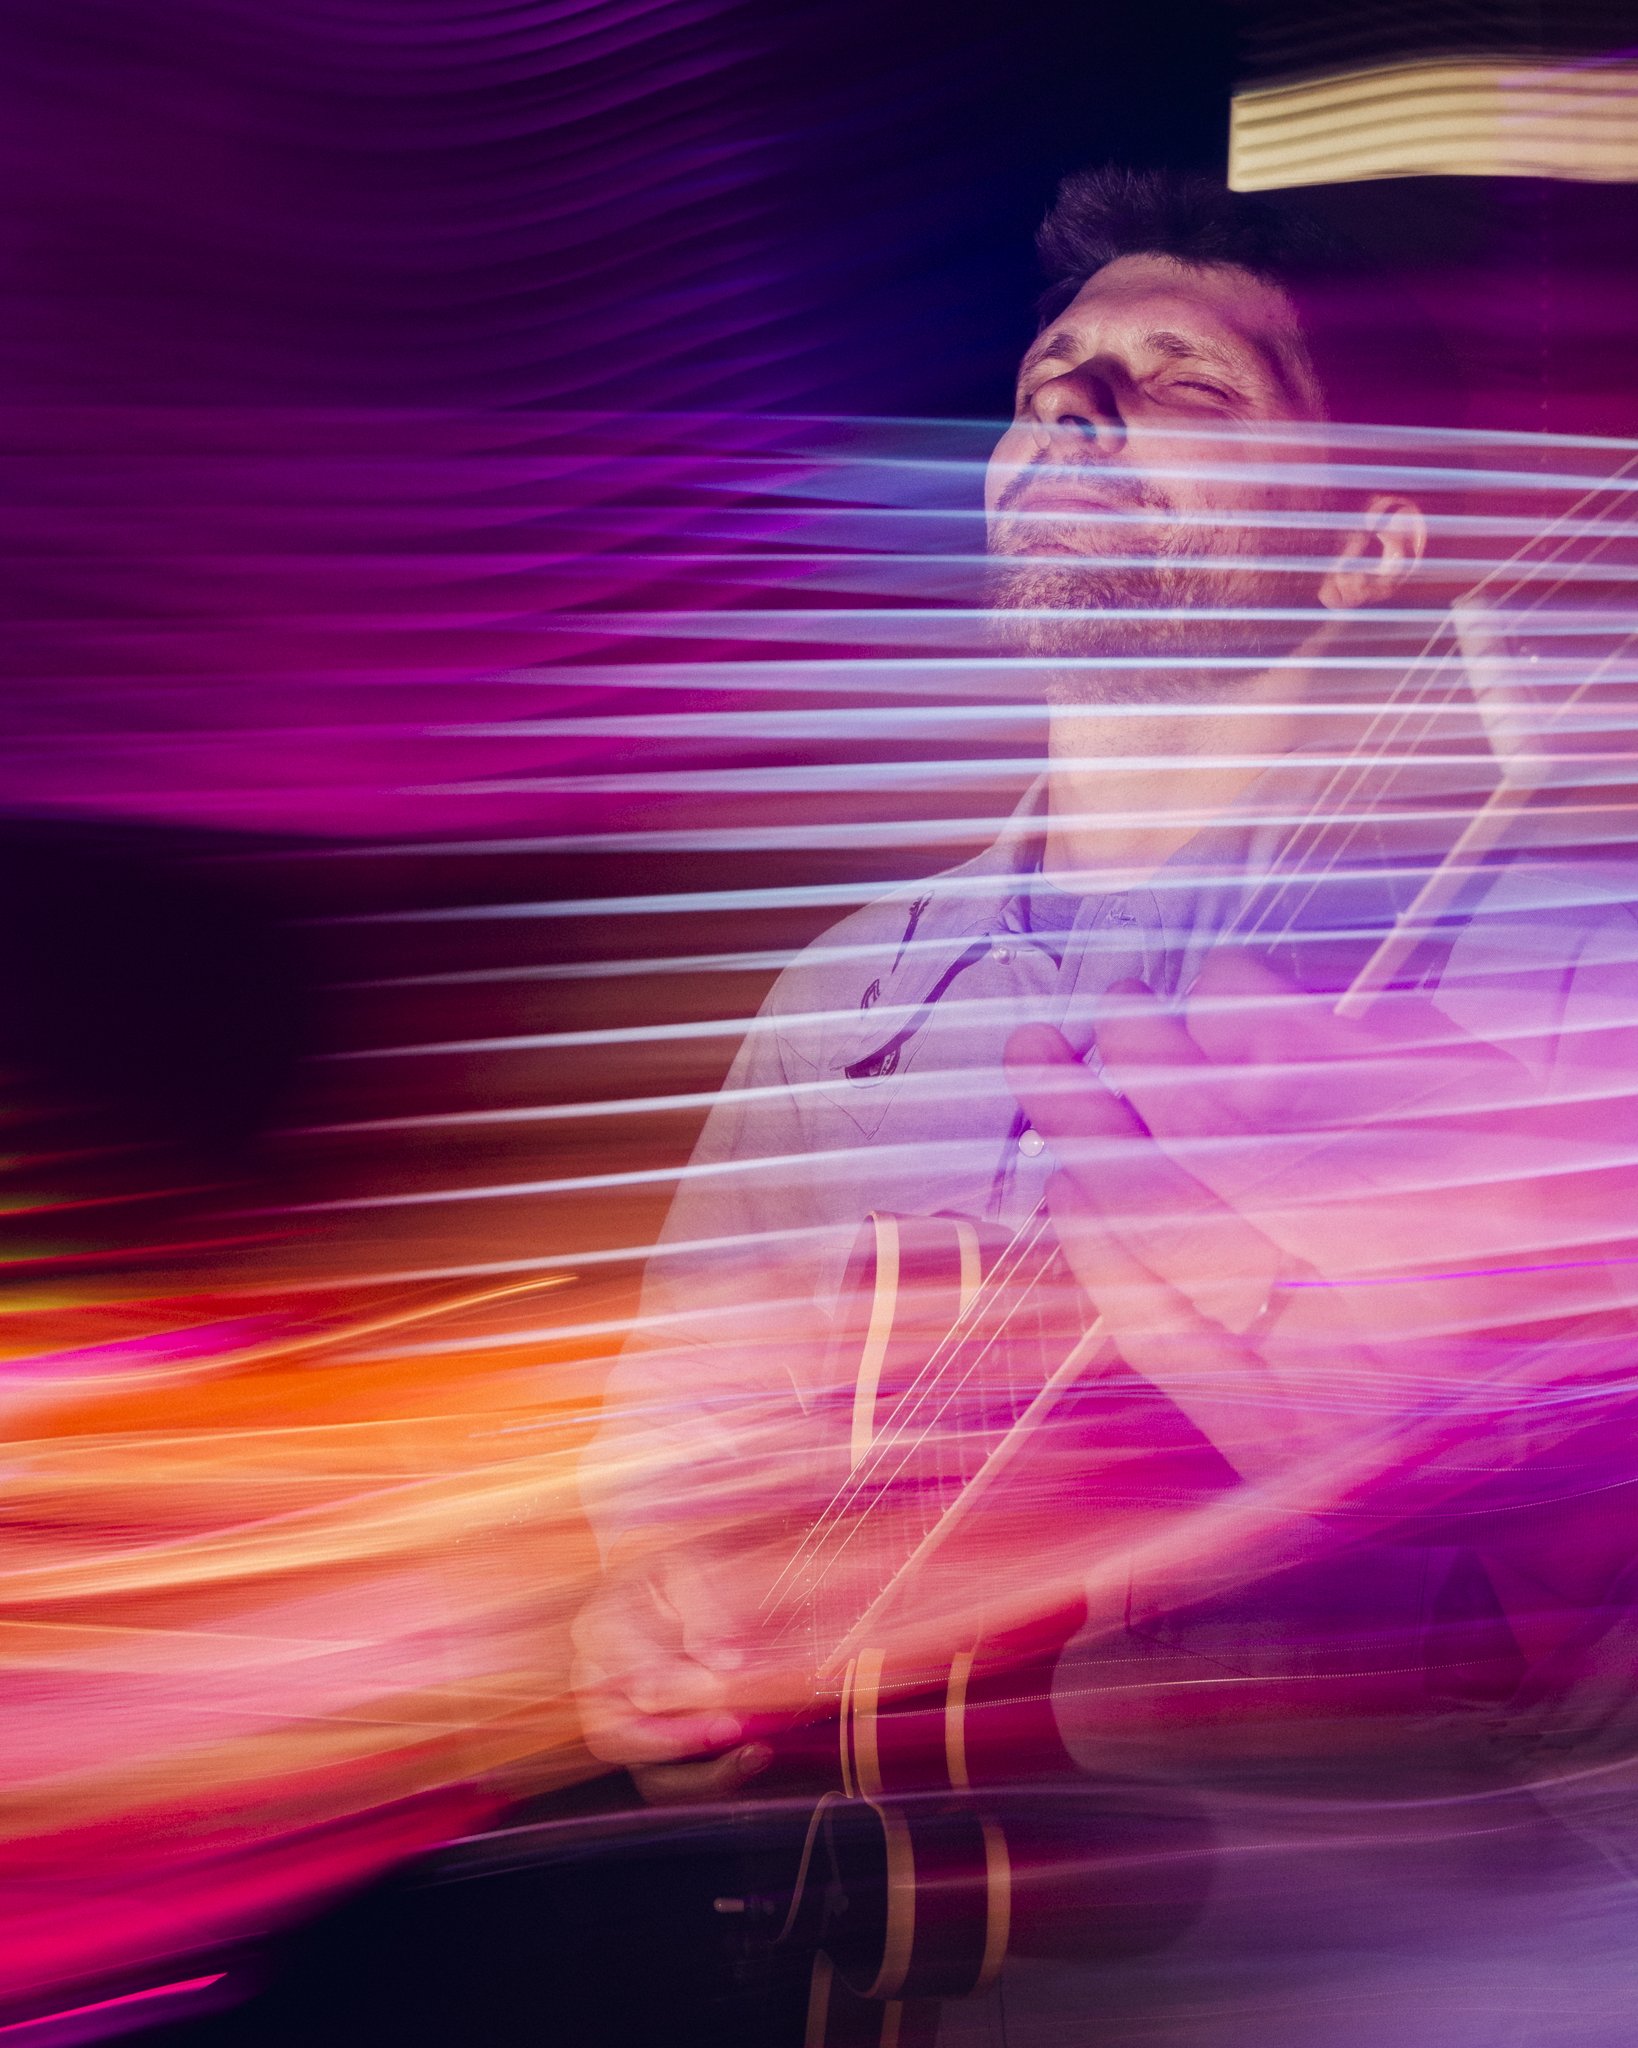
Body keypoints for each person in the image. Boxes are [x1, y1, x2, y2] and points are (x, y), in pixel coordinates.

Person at [571, 168, 1638, 2041]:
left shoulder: (1574, 985)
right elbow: (671, 1494)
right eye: (1049, 374)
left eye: (1187, 385)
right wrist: (655, 1653)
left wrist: (1538, 1526)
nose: (1069, 403)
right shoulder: (843, 1002)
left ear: (1373, 546)